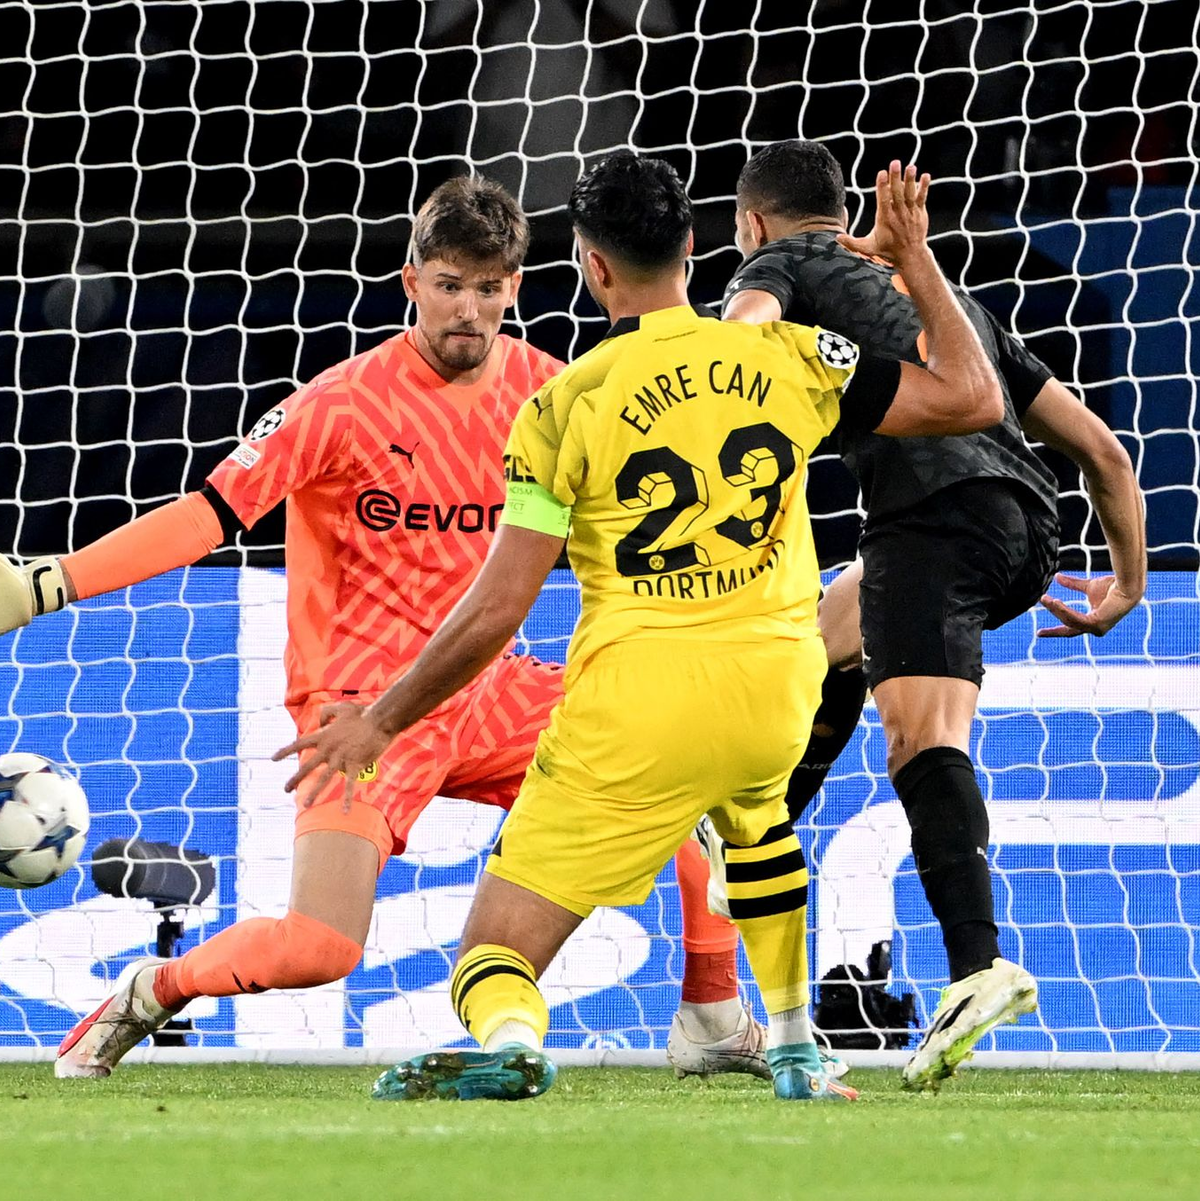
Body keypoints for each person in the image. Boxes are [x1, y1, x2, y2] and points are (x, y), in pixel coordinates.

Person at [277, 151, 1005, 1104]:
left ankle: (516, 1039)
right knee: (755, 827)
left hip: (637, 705)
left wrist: (381, 718)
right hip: (777, 689)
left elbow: (497, 609)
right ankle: (790, 1047)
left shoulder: (559, 405)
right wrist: (912, 262)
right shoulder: (790, 354)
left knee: (490, 954)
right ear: (694, 249)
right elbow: (972, 397)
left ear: (591, 265)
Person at [0, 176, 746, 1078]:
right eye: (448, 284)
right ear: (410, 282)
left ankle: (711, 1015)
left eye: (489, 286)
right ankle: (156, 989)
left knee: (697, 772)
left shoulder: (557, 396)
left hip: (495, 688)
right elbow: (207, 516)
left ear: (516, 286)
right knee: (320, 946)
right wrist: (51, 583)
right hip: (363, 708)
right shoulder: (345, 404)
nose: (468, 309)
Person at [722, 139, 1146, 1090]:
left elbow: (740, 340)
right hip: (1030, 533)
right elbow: (1108, 455)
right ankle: (757, 826)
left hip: (933, 522)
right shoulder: (961, 312)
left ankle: (976, 969)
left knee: (919, 737)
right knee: (829, 632)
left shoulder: (778, 263)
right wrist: (1126, 586)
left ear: (752, 221)